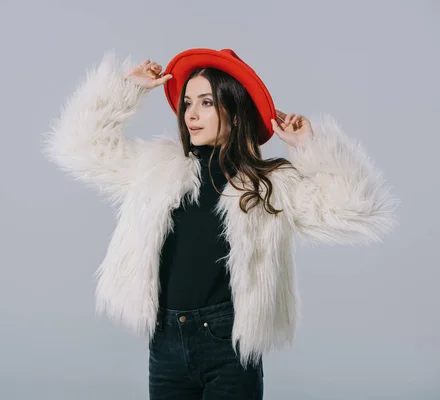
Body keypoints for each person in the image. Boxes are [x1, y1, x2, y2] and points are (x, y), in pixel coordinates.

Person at [43, 48, 398, 399]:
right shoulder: (156, 168)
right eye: (187, 103)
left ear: (235, 110)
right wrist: (127, 88)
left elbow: (357, 208)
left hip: (228, 345)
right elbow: (79, 146)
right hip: (166, 341)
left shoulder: (269, 184)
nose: (191, 115)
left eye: (206, 103)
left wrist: (311, 145)